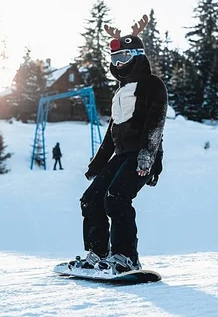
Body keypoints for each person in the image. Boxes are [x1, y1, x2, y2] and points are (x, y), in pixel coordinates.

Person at [70, 14, 168, 274]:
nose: (119, 64)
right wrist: (97, 165)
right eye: (115, 60)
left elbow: (156, 122)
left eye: (124, 58)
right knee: (91, 199)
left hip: (142, 154)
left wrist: (148, 155)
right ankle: (98, 253)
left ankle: (126, 257)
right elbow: (112, 133)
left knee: (116, 198)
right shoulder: (120, 93)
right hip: (122, 155)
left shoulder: (152, 85)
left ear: (137, 57)